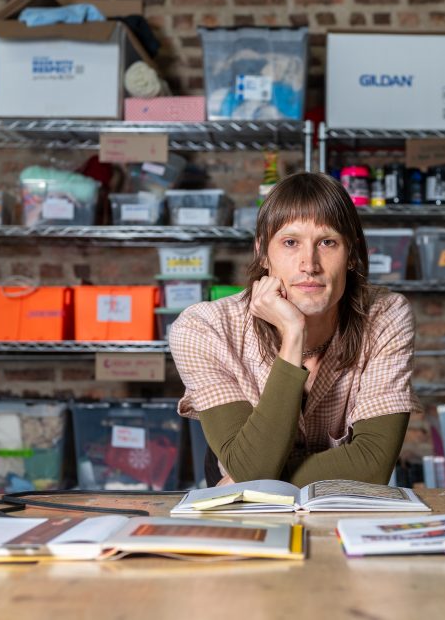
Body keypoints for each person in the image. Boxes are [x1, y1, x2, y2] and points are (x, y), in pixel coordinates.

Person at [170, 172, 418, 487]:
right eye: (290, 242)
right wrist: (293, 334)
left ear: (352, 254)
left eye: (327, 242)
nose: (309, 264)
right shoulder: (204, 329)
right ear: (262, 252)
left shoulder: (385, 315)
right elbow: (250, 470)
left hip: (344, 512)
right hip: (245, 514)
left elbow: (372, 464)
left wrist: (256, 477)